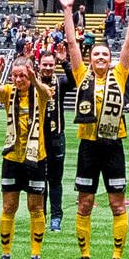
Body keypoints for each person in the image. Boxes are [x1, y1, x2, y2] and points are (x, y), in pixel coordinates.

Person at [57, 0, 129, 259]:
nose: (101, 58)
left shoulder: (120, 74)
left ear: (110, 59)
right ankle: (85, 256)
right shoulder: (81, 74)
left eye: (105, 55)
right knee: (84, 203)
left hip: (113, 146)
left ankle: (117, 257)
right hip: (88, 146)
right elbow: (72, 44)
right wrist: (67, 11)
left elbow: (128, 44)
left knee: (117, 204)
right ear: (91, 58)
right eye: (97, 55)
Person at [0, 53, 55, 259]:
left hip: (36, 157)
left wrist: (34, 80)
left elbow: (47, 94)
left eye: (23, 76)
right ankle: (5, 253)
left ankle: (36, 254)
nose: (18, 80)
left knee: (35, 207)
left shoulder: (39, 91)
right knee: (9, 206)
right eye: (15, 76)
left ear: (31, 75)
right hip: (12, 158)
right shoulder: (9, 92)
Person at [38, 47, 70, 233]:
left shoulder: (61, 82)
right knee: (39, 180)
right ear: (39, 65)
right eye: (45, 64)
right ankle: (40, 216)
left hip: (56, 138)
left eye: (51, 65)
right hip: (37, 139)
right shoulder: (33, 82)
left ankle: (56, 217)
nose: (48, 68)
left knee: (55, 180)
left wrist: (64, 61)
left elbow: (75, 80)